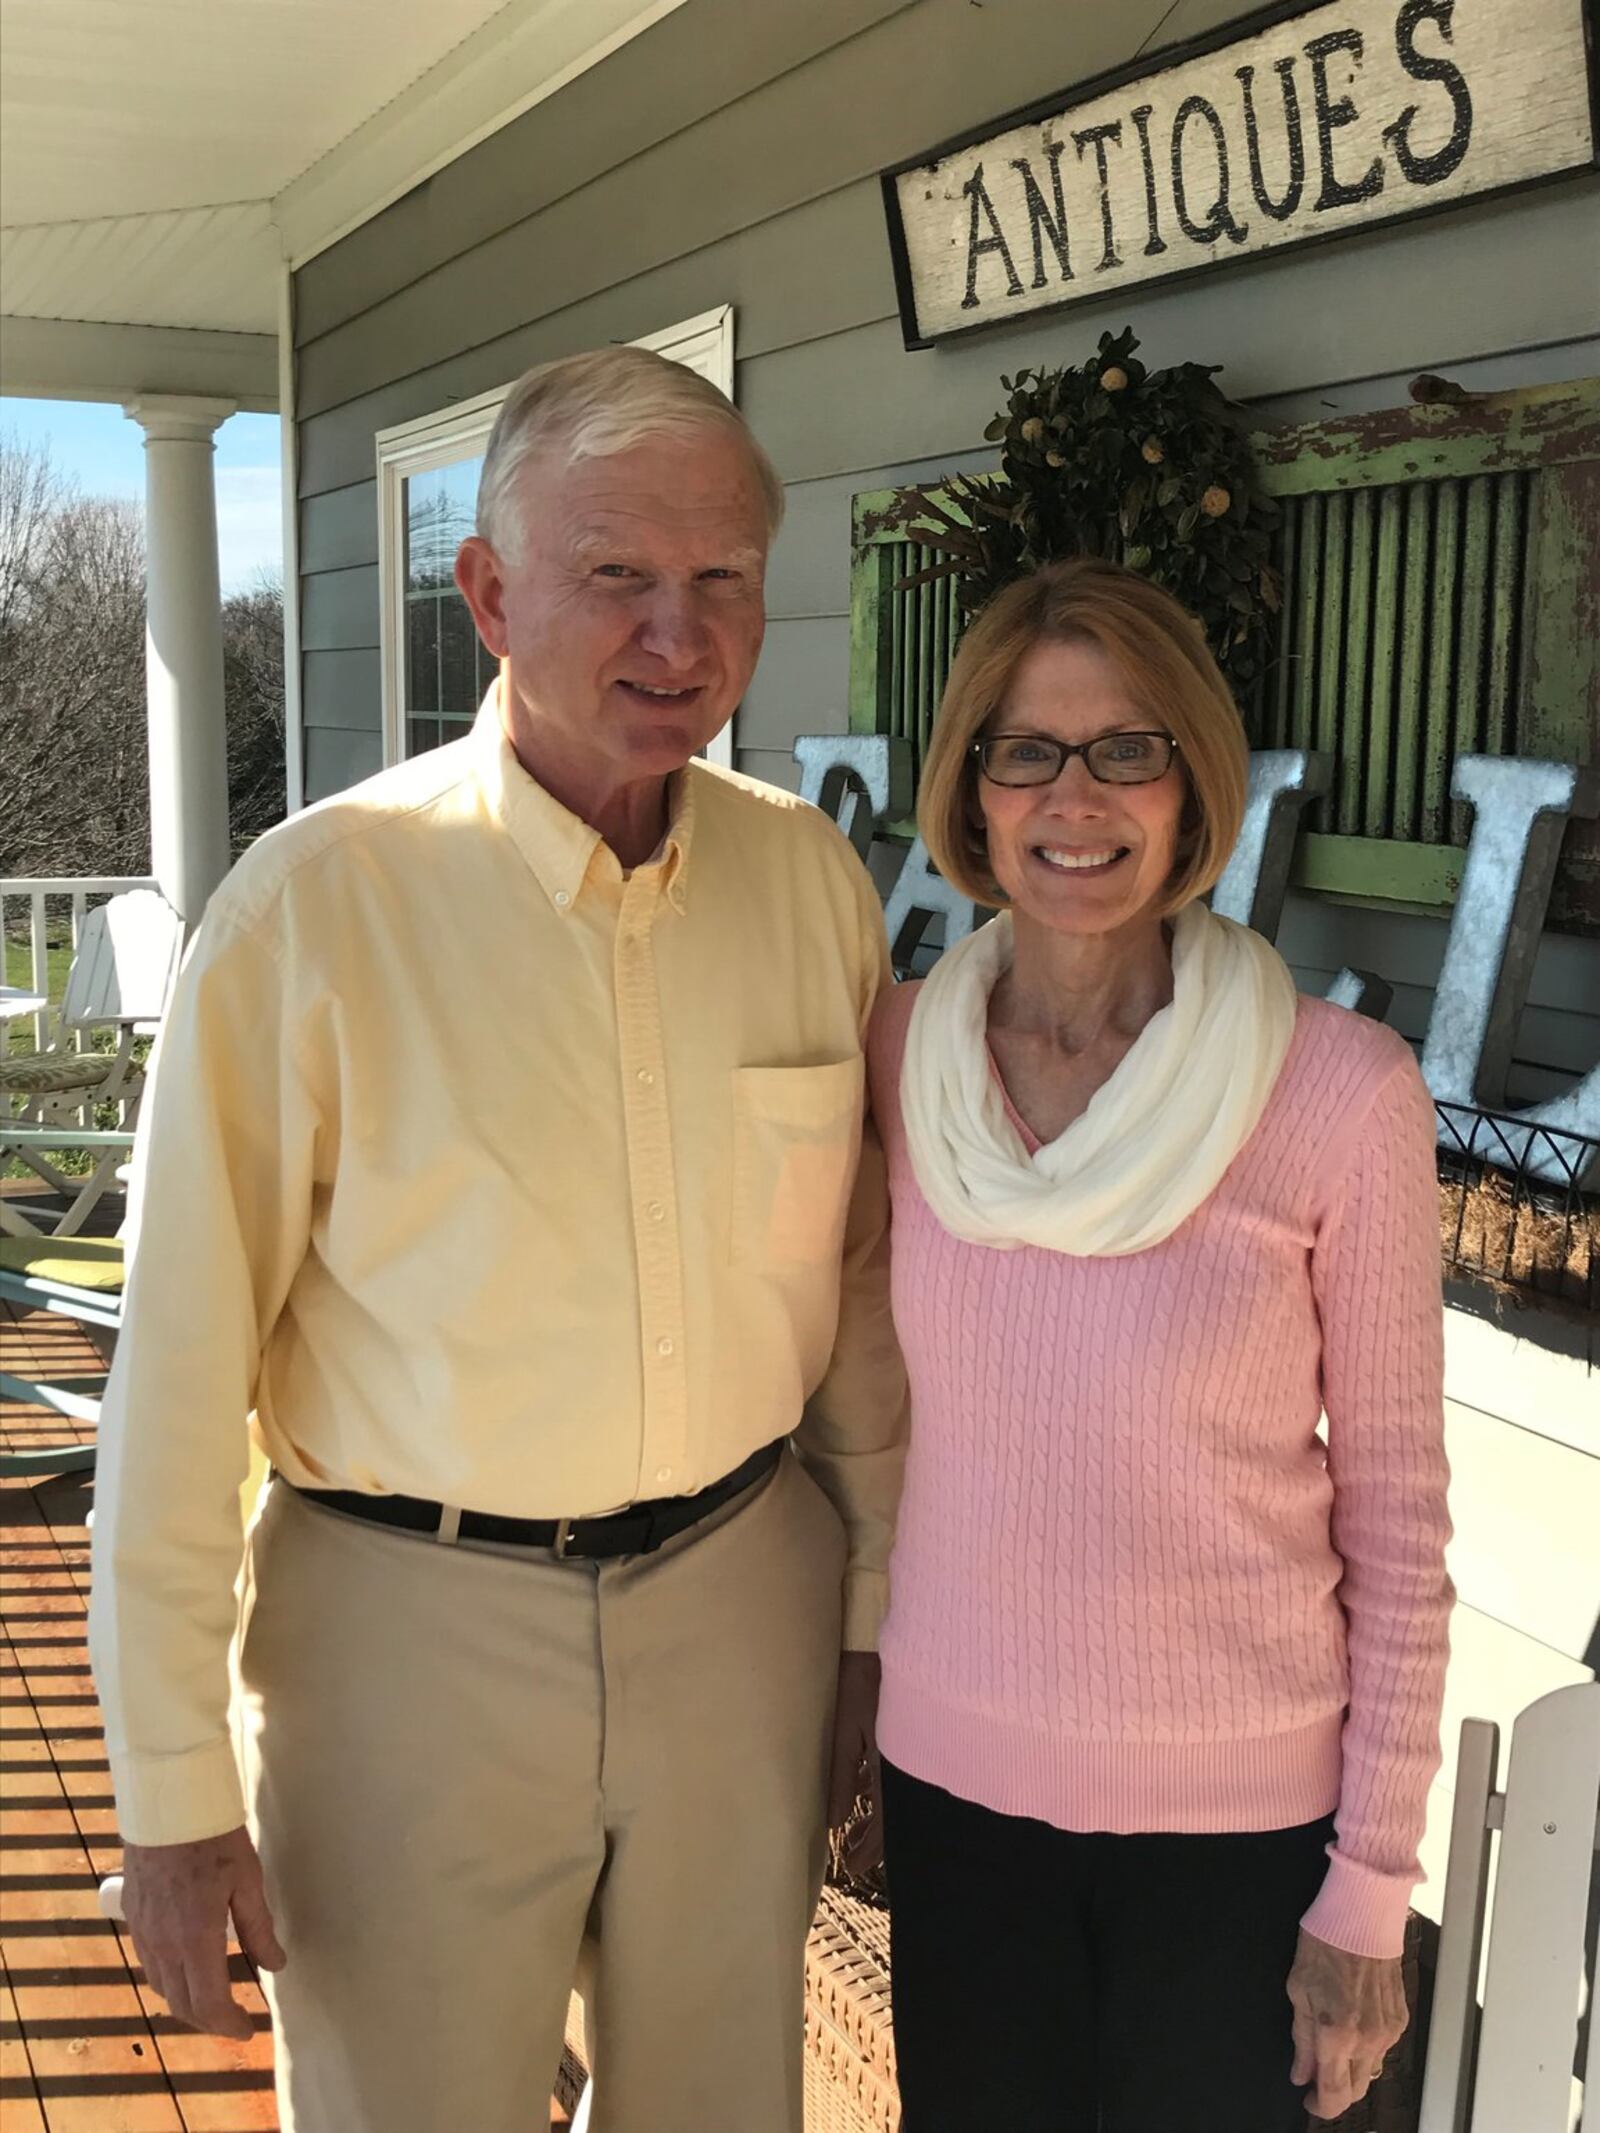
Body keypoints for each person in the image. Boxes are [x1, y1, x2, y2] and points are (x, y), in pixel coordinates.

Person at [89, 344, 906, 2133]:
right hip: (402, 1632)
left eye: (721, 584)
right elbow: (175, 1374)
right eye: (617, 573)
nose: (676, 637)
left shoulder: (812, 890)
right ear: (489, 593)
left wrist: (863, 1614)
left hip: (738, 1605)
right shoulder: (316, 910)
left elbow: (852, 1299)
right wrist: (164, 1790)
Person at [859, 557, 1452, 2131]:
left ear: (1193, 782)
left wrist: (1370, 1897)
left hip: (1241, 1844)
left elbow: (1399, 1525)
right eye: (1026, 748)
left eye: (1128, 746)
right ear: (969, 788)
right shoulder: (899, 1056)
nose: (1076, 794)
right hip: (958, 1806)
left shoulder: (1342, 1092)